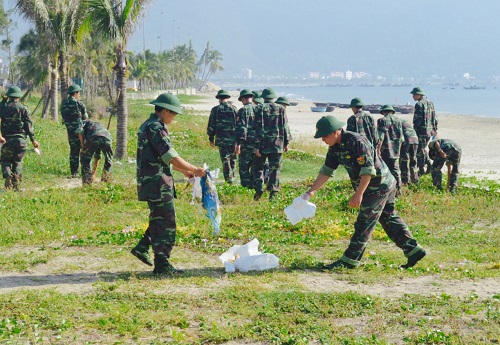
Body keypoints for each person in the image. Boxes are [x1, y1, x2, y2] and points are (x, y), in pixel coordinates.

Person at [302, 115, 426, 269]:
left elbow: (368, 170)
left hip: (379, 185)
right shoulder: (335, 147)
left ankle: (349, 261)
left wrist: (358, 194)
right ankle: (413, 250)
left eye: (325, 136)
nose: (323, 140)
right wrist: (310, 192)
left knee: (364, 222)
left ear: (336, 132)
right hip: (377, 185)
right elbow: (327, 170)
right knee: (387, 217)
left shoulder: (357, 142)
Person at [132, 93, 206, 275]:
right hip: (157, 181)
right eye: (172, 114)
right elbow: (170, 156)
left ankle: (144, 248)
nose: (173, 118)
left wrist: (185, 171)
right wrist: (195, 169)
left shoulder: (148, 125)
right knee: (167, 222)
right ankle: (162, 263)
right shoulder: (156, 127)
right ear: (164, 110)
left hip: (152, 180)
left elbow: (163, 157)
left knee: (159, 218)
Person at [252, 87, 292, 201]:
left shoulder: (259, 108)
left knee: (258, 166)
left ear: (263, 97)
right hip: (277, 144)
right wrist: (286, 143)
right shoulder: (281, 109)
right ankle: (273, 194)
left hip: (263, 145)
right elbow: (285, 127)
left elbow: (256, 128)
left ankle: (259, 186)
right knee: (275, 169)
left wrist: (256, 146)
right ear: (273, 97)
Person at [0, 86, 39, 190]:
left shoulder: (3, 107)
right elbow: (28, 126)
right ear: (19, 97)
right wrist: (33, 140)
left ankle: (7, 175)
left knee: (5, 161)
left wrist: (3, 100)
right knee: (17, 162)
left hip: (6, 140)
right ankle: (16, 185)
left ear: (9, 96)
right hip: (21, 141)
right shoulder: (24, 108)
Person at [207, 89, 238, 184]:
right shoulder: (234, 109)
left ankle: (229, 180)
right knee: (233, 159)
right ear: (227, 98)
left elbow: (211, 125)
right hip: (233, 139)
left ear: (219, 99)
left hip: (221, 139)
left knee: (225, 160)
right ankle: (232, 177)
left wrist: (211, 138)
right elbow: (238, 124)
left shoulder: (215, 110)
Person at [61, 84, 88, 177]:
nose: (79, 94)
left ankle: (74, 173)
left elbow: (64, 117)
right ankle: (86, 172)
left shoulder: (64, 103)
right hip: (80, 131)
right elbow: (85, 118)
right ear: (75, 93)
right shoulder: (79, 103)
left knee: (73, 151)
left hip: (70, 131)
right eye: (78, 93)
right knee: (84, 150)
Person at [410, 87, 438, 176]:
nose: (413, 97)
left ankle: (424, 167)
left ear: (419, 95)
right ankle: (426, 165)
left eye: (414, 95)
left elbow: (417, 119)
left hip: (421, 130)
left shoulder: (419, 104)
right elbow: (435, 117)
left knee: (420, 150)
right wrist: (435, 129)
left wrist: (415, 130)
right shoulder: (431, 103)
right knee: (422, 148)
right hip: (430, 131)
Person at [376, 105, 403, 194]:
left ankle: (386, 191)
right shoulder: (399, 121)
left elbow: (381, 137)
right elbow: (402, 139)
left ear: (383, 112)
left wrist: (378, 150)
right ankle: (398, 191)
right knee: (396, 170)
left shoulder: (382, 120)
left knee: (385, 171)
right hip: (396, 150)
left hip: (385, 150)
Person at [77, 120, 113, 185]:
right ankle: (106, 182)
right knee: (109, 160)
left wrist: (82, 147)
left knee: (85, 159)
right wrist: (93, 173)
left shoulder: (84, 123)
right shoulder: (99, 126)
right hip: (107, 138)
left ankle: (87, 182)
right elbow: (97, 156)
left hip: (94, 137)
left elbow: (80, 131)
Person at [235, 89, 255, 189]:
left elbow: (242, 128)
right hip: (258, 144)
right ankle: (257, 186)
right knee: (256, 166)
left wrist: (238, 144)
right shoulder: (259, 109)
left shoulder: (243, 111)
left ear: (243, 99)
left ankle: (247, 187)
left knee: (244, 168)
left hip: (246, 144)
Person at [399, 119, 419, 185]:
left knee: (404, 161)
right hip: (415, 139)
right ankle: (415, 180)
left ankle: (405, 181)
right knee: (413, 161)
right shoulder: (407, 122)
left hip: (407, 139)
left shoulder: (398, 122)